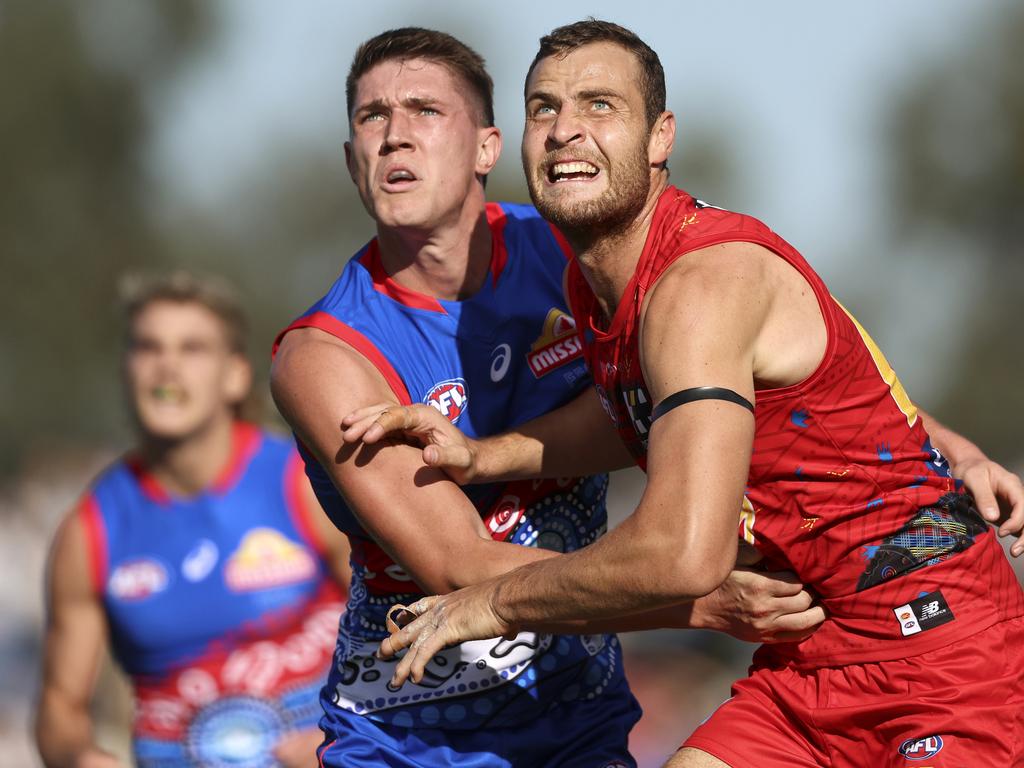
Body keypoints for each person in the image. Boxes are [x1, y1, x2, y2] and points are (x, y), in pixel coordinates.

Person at [357, 20, 1024, 768]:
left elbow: (683, 554)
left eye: (599, 105)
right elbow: (649, 413)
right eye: (544, 109)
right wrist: (485, 456)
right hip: (809, 666)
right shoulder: (594, 279)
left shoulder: (700, 285)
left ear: (659, 138)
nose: (566, 130)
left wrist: (492, 602)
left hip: (942, 656)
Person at [269, 27, 827, 768]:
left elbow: (756, 354)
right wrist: (697, 603)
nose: (395, 137)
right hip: (408, 742)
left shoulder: (571, 253)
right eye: (372, 118)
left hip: (577, 726)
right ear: (350, 161)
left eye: (424, 112)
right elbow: (458, 568)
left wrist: (939, 442)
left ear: (488, 149)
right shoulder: (323, 354)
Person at [36, 273, 350, 768]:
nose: (166, 366)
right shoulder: (90, 530)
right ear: (126, 369)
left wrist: (350, 741)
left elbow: (400, 625)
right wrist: (78, 756)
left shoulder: (304, 483)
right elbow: (60, 706)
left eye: (192, 348)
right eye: (147, 347)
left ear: (235, 375)